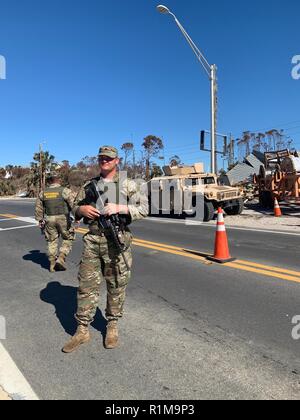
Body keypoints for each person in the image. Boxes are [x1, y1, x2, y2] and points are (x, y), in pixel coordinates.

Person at [62, 146, 148, 352]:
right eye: (101, 158)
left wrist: (122, 208)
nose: (104, 161)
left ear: (117, 161)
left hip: (116, 242)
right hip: (92, 241)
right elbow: (74, 207)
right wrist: (81, 209)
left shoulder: (128, 184)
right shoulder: (90, 185)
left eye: (109, 159)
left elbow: (144, 208)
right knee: (86, 286)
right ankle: (82, 329)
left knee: (116, 284)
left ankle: (112, 325)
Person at [35, 171, 76, 272]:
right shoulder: (65, 191)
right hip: (64, 219)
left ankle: (52, 264)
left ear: (49, 180)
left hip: (49, 219)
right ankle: (61, 257)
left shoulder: (43, 192)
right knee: (68, 238)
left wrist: (40, 220)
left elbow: (38, 208)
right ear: (59, 180)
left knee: (51, 241)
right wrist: (77, 217)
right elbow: (74, 205)